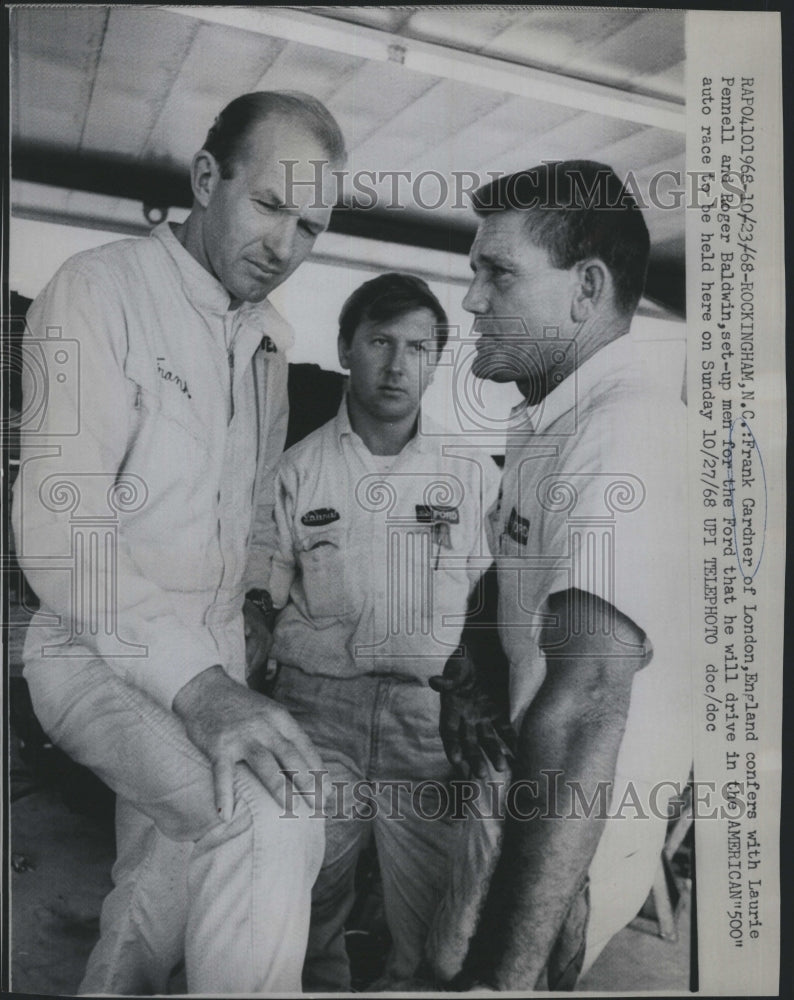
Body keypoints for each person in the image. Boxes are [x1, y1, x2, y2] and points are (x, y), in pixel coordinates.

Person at [11, 91, 345, 994]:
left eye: (311, 225)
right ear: (207, 179)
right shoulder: (97, 290)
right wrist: (203, 695)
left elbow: (255, 508)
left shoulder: (271, 340)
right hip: (95, 659)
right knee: (273, 818)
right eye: (271, 205)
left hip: (212, 663)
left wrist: (255, 608)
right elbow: (59, 527)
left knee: (154, 902)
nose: (285, 246)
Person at [427, 160, 692, 990]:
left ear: (586, 288)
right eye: (475, 271)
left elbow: (587, 708)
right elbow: (515, 560)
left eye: (498, 273)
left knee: (465, 975)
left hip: (573, 832)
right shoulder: (549, 418)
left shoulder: (630, 434)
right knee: (435, 960)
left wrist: (501, 981)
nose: (471, 300)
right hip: (521, 791)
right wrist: (470, 667)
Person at [266, 273, 502, 990]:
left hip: (429, 727)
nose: (398, 366)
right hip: (317, 718)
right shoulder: (295, 470)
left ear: (437, 359)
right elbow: (260, 595)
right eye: (379, 343)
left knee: (438, 934)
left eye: (418, 348)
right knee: (298, 917)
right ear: (345, 349)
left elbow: (495, 607)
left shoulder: (473, 476)